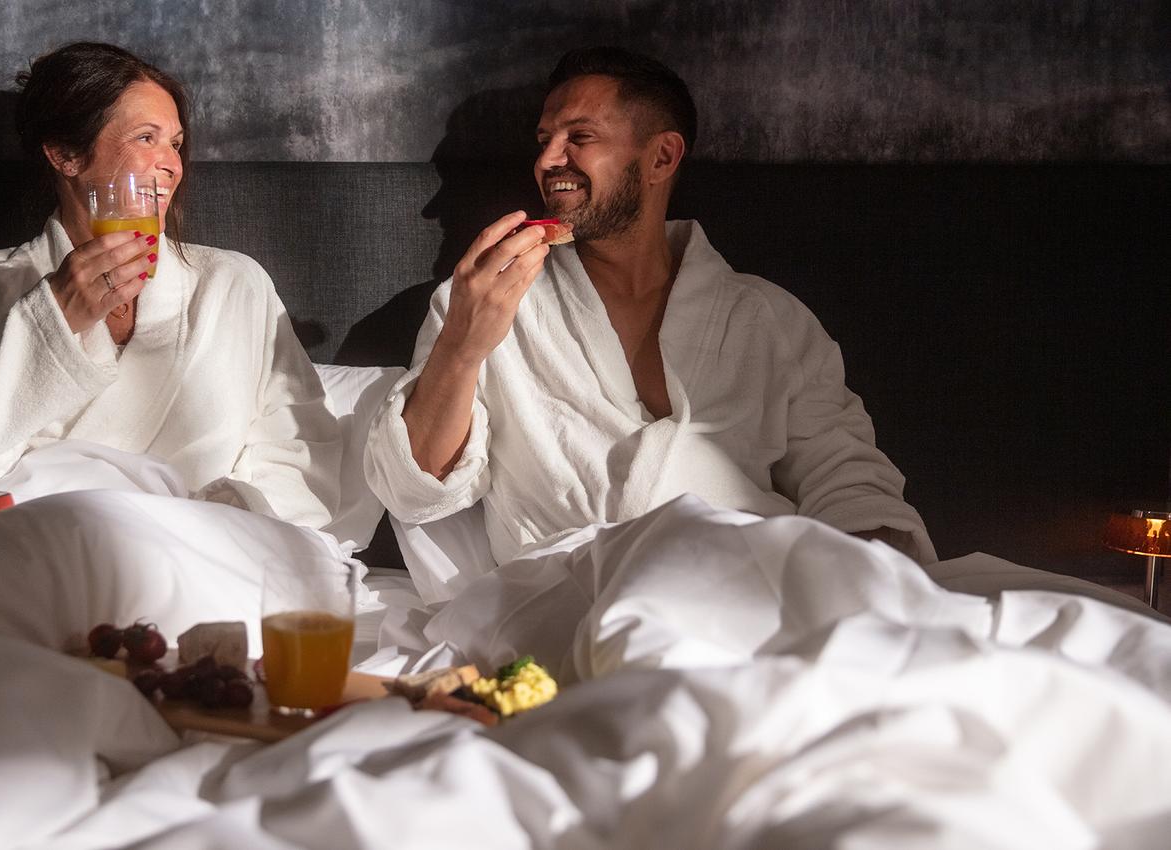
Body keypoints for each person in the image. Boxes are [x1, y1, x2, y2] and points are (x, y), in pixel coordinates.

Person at [365, 46, 935, 564]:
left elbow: (847, 479)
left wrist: (875, 592)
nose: (548, 160)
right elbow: (416, 490)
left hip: (746, 587)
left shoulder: (766, 317)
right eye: (544, 141)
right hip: (568, 597)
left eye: (579, 137)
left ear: (662, 157)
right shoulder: (483, 302)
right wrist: (464, 345)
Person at [0, 42, 340, 530]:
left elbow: (299, 449)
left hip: (207, 543)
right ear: (65, 155)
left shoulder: (233, 284)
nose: (172, 165)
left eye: (175, 143)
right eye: (146, 138)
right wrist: (53, 317)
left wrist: (222, 525)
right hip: (37, 543)